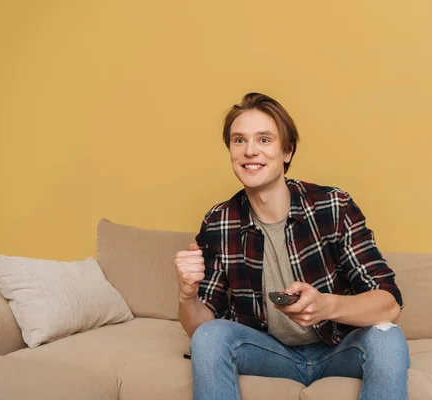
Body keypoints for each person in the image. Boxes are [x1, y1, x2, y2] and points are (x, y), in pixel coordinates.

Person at [174, 93, 410, 400]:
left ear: (287, 151)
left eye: (264, 140)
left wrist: (327, 306)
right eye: (239, 141)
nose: (250, 151)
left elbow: (390, 304)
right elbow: (199, 329)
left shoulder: (333, 206)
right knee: (210, 336)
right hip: (269, 352)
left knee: (388, 338)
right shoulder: (219, 221)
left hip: (338, 348)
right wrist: (187, 294)